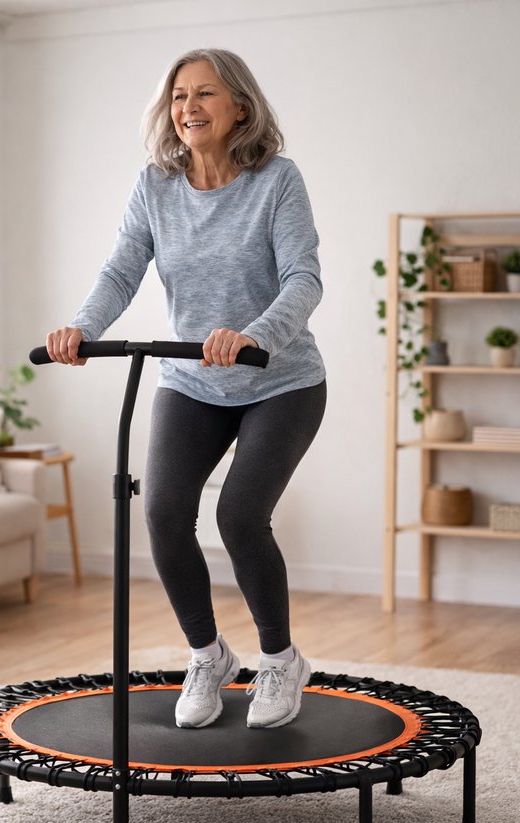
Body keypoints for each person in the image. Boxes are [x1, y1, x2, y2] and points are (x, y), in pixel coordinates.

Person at [46, 48, 326, 731]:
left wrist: (255, 332)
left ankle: (281, 659)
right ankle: (208, 654)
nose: (188, 107)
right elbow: (120, 271)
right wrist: (81, 328)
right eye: (178, 96)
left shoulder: (277, 181)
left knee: (237, 516)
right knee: (164, 512)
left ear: (239, 106)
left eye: (204, 94)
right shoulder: (156, 187)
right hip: (191, 378)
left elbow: (304, 278)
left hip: (279, 379)